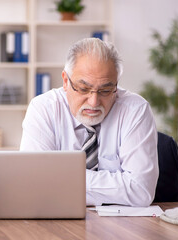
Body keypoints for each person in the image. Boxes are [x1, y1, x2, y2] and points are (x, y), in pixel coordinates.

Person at [20, 38, 159, 207]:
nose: (94, 102)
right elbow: (34, 186)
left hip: (120, 227)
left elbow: (141, 191)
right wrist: (114, 188)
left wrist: (63, 177)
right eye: (84, 89)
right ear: (65, 81)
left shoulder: (135, 110)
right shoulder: (44, 109)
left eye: (105, 90)